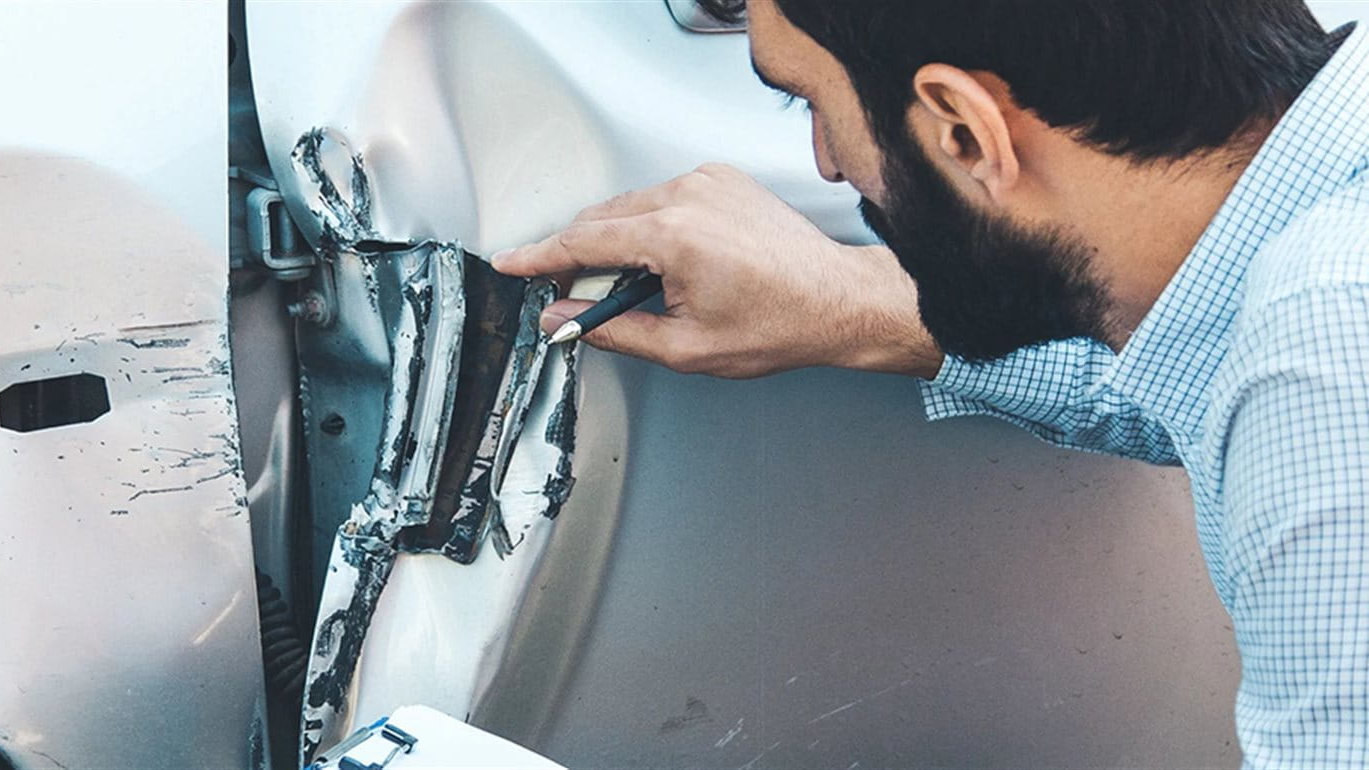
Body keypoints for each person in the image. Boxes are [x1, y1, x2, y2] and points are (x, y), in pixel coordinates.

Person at [492, 1, 1368, 765]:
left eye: (811, 102)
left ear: (962, 127)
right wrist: (849, 301)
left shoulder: (1325, 351)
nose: (828, 164)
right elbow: (1196, 370)